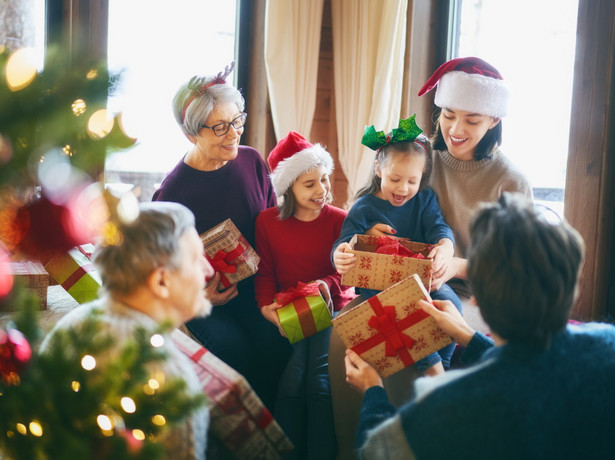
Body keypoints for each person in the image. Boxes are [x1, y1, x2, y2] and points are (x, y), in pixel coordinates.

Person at [345, 193, 615, 459]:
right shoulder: (608, 344)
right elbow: (532, 365)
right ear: (574, 289)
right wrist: (469, 336)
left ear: (478, 302)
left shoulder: (449, 404)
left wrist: (373, 390)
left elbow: (376, 451)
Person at [152, 62, 292, 410]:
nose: (234, 134)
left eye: (237, 120)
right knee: (234, 352)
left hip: (259, 289)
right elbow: (162, 275)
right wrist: (201, 299)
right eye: (220, 127)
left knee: (278, 339)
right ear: (191, 134)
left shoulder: (252, 162)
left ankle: (270, 432)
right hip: (209, 303)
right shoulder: (171, 194)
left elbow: (273, 226)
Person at [41, 201, 213, 459]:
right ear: (161, 280)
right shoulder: (165, 376)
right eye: (196, 259)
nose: (208, 270)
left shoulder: (73, 324)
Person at [332, 115, 462, 377]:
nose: (403, 189)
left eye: (412, 181)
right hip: (379, 287)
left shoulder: (424, 200)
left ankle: (444, 365)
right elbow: (345, 241)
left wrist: (446, 246)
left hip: (421, 281)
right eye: (395, 179)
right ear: (379, 170)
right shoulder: (365, 207)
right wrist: (340, 254)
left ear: (421, 177)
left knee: (451, 302)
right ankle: (434, 370)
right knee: (404, 316)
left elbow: (439, 227)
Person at [254, 131, 355, 460]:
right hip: (290, 312)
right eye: (309, 184)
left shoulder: (341, 220)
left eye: (324, 180)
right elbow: (265, 272)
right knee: (294, 377)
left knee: (318, 377)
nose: (322, 190)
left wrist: (324, 285)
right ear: (288, 189)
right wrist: (267, 309)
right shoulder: (267, 222)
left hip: (332, 310)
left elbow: (346, 274)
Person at [417, 56, 533, 295]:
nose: (456, 129)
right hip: (410, 282)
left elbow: (519, 266)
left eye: (471, 120)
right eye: (448, 115)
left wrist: (457, 267)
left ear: (493, 120)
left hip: (478, 295)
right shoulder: (418, 158)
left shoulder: (511, 181)